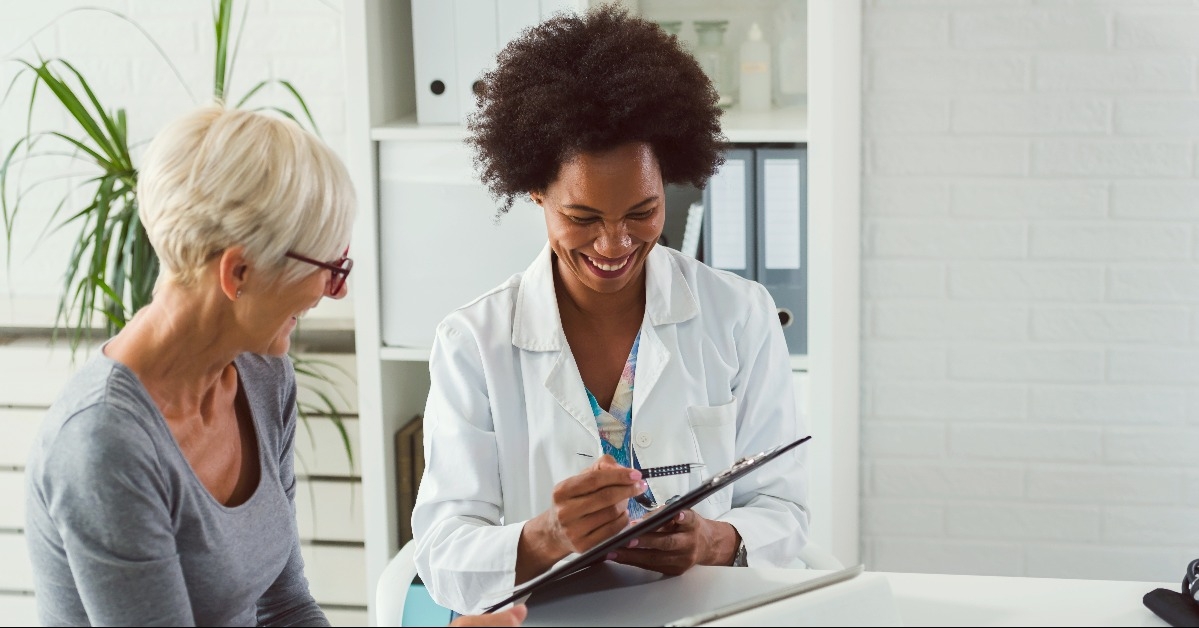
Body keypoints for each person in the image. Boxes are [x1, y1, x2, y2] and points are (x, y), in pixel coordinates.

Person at [23, 105, 527, 628]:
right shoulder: (103, 444)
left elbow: (285, 608)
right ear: (238, 272)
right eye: (328, 267)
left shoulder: (261, 376)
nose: (337, 290)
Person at [411, 5, 810, 616]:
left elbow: (786, 512)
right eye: (583, 217)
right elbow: (442, 557)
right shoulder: (473, 342)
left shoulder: (739, 315)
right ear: (536, 190)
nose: (614, 244)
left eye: (642, 212)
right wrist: (547, 537)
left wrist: (713, 541)